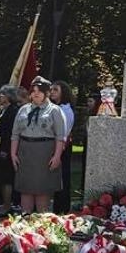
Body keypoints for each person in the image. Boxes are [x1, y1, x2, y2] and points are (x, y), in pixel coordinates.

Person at [10, 77, 67, 213]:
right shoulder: (23, 110)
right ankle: (25, 224)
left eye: (40, 91)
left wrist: (57, 156)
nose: (36, 93)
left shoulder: (55, 110)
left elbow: (60, 137)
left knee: (42, 191)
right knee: (26, 189)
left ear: (47, 93)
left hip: (45, 152)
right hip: (25, 152)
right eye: (33, 90)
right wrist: (13, 153)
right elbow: (15, 134)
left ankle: (42, 225)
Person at [0, 85, 24, 214]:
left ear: (8, 96)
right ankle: (4, 203)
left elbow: (11, 133)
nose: (0, 97)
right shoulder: (4, 110)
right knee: (2, 177)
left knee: (7, 179)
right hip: (2, 147)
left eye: (2, 94)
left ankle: (7, 206)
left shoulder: (13, 111)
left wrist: (6, 150)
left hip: (7, 148)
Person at [48, 80, 77, 214]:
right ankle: (56, 208)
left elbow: (63, 132)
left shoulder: (66, 109)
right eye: (51, 89)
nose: (52, 92)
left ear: (63, 92)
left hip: (62, 148)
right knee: (55, 180)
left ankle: (62, 209)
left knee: (62, 180)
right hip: (53, 146)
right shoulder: (54, 108)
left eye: (55, 90)